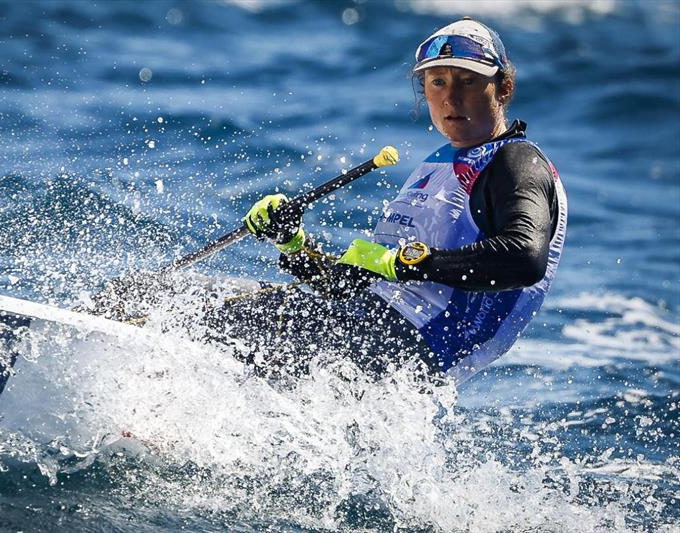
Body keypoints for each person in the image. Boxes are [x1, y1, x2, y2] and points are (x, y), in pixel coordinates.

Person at [205, 17, 567, 385]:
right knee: (190, 298)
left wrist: (405, 261)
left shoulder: (516, 161)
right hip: (365, 329)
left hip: (410, 350)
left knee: (194, 315)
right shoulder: (439, 165)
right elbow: (353, 285)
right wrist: (293, 243)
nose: (450, 98)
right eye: (437, 82)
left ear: (503, 88)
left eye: (468, 81)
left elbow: (524, 258)